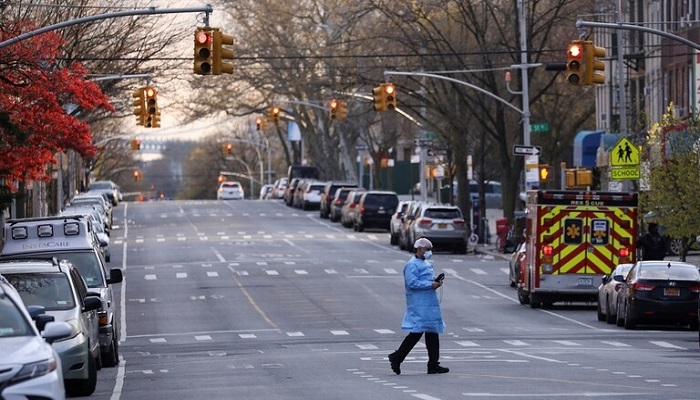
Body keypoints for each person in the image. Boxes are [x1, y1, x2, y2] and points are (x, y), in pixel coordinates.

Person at [388, 237, 448, 375]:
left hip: (430, 303)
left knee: (432, 332)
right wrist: (430, 284)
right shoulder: (412, 265)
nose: (429, 252)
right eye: (427, 249)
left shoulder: (426, 264)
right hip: (419, 304)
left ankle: (433, 364)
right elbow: (412, 283)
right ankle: (397, 357)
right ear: (420, 249)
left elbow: (427, 280)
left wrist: (435, 282)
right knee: (416, 332)